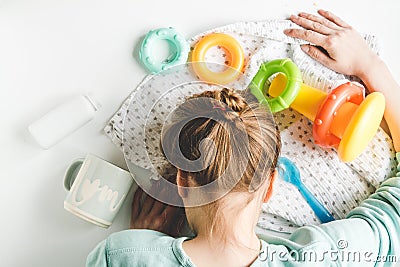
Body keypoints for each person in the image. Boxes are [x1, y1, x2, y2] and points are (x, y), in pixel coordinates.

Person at [87, 10, 400, 266]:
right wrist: (370, 65)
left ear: (181, 182)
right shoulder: (328, 258)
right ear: (271, 186)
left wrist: (144, 246)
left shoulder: (121, 256)